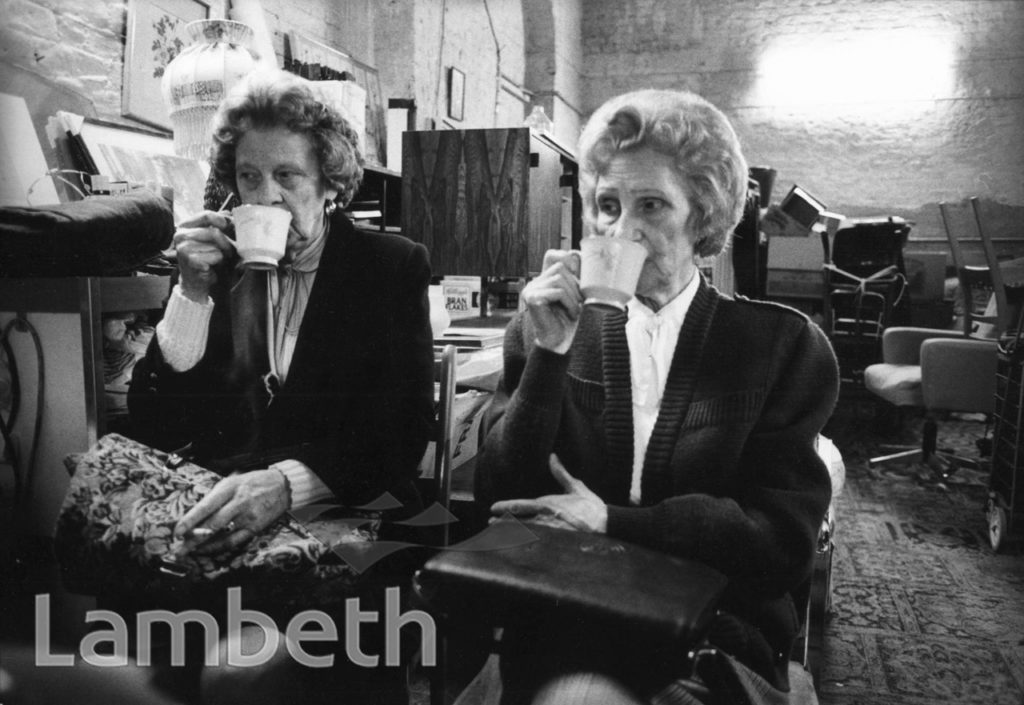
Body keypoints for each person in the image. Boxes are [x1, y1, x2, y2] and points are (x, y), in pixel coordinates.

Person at [475, 89, 839, 705]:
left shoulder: (782, 347)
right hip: (571, 619)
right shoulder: (545, 330)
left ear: (702, 216)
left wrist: (616, 522)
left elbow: (781, 546)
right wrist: (548, 357)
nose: (622, 229)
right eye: (607, 206)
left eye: (651, 204)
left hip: (713, 638)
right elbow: (499, 499)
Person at [126, 69, 435, 704]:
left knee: (263, 664)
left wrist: (286, 485)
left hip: (350, 510)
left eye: (287, 176)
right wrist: (190, 294)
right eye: (248, 177)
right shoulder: (217, 268)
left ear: (327, 180)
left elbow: (401, 433)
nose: (265, 195)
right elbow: (153, 419)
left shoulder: (389, 266)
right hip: (231, 514)